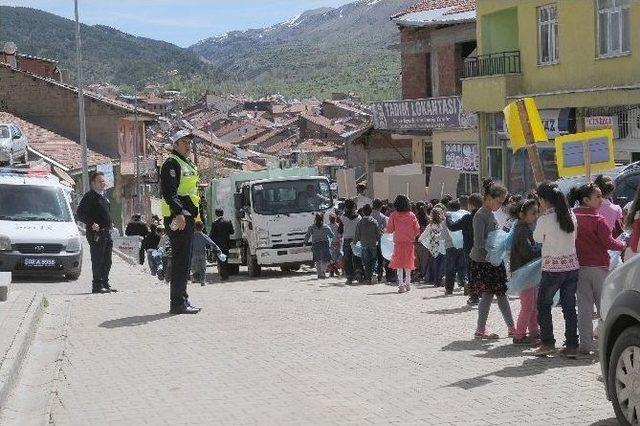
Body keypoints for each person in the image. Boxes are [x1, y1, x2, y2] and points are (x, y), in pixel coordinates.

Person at [569, 184, 626, 355]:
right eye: (598, 197)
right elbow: (609, 242)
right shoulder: (598, 219)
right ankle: (607, 344)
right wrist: (624, 244)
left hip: (578, 267)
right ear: (586, 200)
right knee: (604, 307)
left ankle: (585, 345)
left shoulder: (572, 217)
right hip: (599, 267)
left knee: (584, 308)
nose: (602, 199)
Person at [532, 182, 580, 357]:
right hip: (572, 266)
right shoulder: (571, 215)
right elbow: (575, 236)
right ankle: (572, 345)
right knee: (569, 307)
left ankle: (548, 343)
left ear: (543, 200)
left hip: (552, 269)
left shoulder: (545, 219)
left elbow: (537, 238)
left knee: (543, 305)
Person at [160, 130, 202, 315]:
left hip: (187, 215)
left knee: (184, 261)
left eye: (189, 142)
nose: (187, 145)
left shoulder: (186, 163)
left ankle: (182, 299)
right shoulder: (171, 163)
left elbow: (192, 193)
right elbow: (170, 192)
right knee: (180, 261)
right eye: (183, 142)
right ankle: (177, 303)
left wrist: (197, 217)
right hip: (179, 216)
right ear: (175, 144)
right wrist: (178, 213)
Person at [470, 179, 515, 340]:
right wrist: (494, 251)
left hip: (493, 260)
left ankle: (510, 327)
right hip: (485, 261)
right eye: (498, 201)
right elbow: (479, 242)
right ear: (488, 197)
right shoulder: (480, 215)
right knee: (490, 294)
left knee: (499, 294)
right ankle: (482, 329)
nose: (499, 205)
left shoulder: (490, 214)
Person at [76, 171, 117, 294]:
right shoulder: (90, 196)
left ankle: (105, 283)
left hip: (106, 232)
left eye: (104, 181)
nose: (103, 183)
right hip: (96, 234)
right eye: (100, 181)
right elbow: (80, 214)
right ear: (93, 183)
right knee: (98, 259)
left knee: (107, 260)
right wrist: (91, 223)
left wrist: (110, 224)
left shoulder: (104, 196)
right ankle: (97, 285)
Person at [510, 199, 542, 345]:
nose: (536, 216)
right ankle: (519, 334)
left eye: (537, 212)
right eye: (533, 213)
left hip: (527, 271)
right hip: (523, 272)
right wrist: (542, 249)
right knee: (528, 305)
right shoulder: (522, 230)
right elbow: (527, 252)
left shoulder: (525, 227)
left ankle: (534, 331)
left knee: (532, 303)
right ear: (523, 215)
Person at [447, 193, 483, 304]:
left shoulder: (467, 217)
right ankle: (482, 293)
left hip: (469, 249)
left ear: (470, 205)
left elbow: (452, 227)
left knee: (471, 272)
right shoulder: (485, 216)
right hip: (483, 248)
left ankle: (474, 296)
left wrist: (447, 217)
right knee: (481, 271)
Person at [386, 195, 420, 294]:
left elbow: (390, 229)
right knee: (409, 263)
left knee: (399, 264)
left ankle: (401, 285)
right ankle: (408, 284)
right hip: (409, 242)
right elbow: (417, 230)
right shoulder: (412, 215)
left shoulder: (393, 215)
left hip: (398, 242)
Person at [443, 200, 468, 295]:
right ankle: (465, 282)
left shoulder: (447, 217)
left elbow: (444, 232)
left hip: (450, 246)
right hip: (463, 245)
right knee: (463, 266)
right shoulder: (463, 215)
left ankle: (449, 289)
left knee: (450, 268)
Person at [354, 204, 381, 285]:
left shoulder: (360, 222)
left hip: (364, 245)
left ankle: (367, 278)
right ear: (371, 211)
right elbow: (378, 234)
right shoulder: (374, 222)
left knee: (366, 262)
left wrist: (354, 242)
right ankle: (373, 274)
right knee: (373, 260)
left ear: (363, 212)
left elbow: (357, 234)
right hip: (373, 244)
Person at [191, 221, 224, 286]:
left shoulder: (191, 236)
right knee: (203, 268)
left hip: (193, 255)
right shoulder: (204, 236)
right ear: (202, 227)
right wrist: (218, 250)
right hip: (202, 255)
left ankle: (196, 278)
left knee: (194, 268)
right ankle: (202, 281)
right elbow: (212, 243)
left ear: (194, 227)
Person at [420, 207, 446, 288]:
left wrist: (419, 239)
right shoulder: (443, 224)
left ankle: (436, 281)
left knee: (435, 265)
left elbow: (423, 235)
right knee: (442, 264)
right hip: (443, 247)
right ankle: (441, 278)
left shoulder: (430, 225)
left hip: (433, 248)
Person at [304, 213, 334, 279]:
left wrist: (305, 243)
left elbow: (307, 235)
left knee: (317, 260)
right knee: (325, 260)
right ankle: (323, 271)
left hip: (315, 244)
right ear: (322, 219)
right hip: (324, 244)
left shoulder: (312, 227)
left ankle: (319, 274)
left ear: (315, 219)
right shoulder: (326, 227)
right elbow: (331, 235)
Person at [339, 199, 361, 285]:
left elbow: (340, 231)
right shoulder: (359, 217)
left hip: (347, 239)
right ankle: (358, 272)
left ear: (345, 207)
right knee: (357, 257)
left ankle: (349, 277)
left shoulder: (342, 217)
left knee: (347, 259)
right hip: (357, 239)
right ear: (354, 207)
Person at [209, 208, 235, 281]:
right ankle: (225, 274)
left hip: (218, 245)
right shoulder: (228, 221)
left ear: (216, 214)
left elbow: (212, 235)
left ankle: (224, 275)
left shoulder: (215, 223)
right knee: (225, 260)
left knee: (220, 261)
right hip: (226, 244)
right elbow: (232, 232)